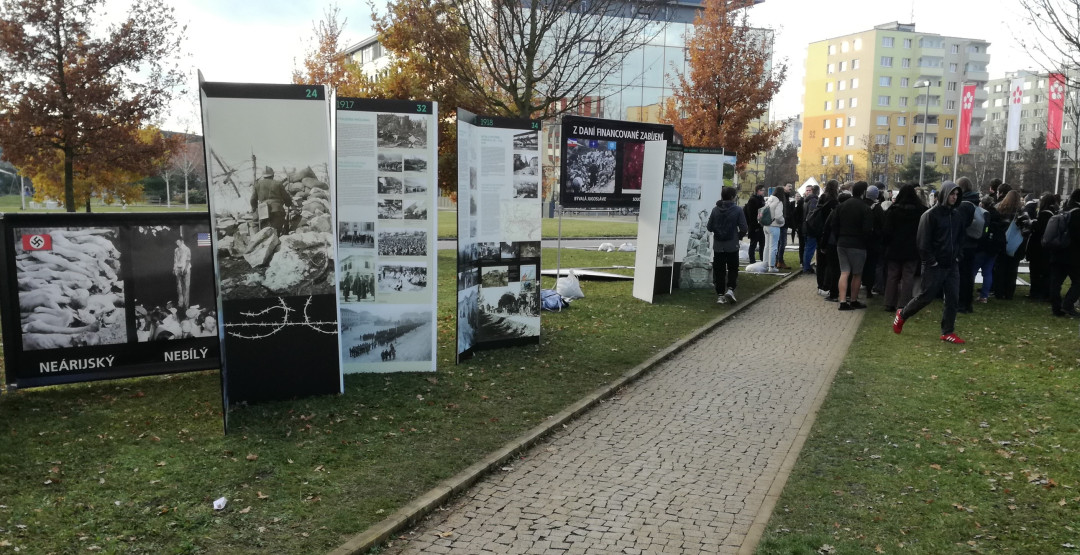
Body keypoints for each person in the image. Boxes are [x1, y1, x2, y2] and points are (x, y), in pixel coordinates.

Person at [892, 181, 967, 344]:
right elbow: (923, 242)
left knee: (953, 298)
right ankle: (903, 314)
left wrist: (958, 256)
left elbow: (961, 238)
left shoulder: (956, 216)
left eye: (956, 194)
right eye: (952, 194)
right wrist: (932, 261)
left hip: (951, 264)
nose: (954, 197)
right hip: (935, 265)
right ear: (944, 194)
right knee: (926, 296)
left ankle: (947, 331)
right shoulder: (930, 215)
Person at [882, 184, 926, 312]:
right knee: (908, 276)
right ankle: (903, 304)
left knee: (892, 275)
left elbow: (887, 231)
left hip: (894, 248)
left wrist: (886, 245)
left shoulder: (893, 210)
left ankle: (889, 302)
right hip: (912, 249)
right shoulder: (921, 211)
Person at [833, 181, 873, 310]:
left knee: (844, 272)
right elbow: (867, 229)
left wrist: (839, 238)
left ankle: (842, 301)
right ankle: (854, 300)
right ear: (864, 192)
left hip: (842, 242)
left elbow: (834, 225)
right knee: (857, 274)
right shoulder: (865, 208)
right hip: (858, 244)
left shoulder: (842, 206)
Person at [707, 186, 748, 304]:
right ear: (732, 197)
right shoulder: (737, 210)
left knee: (719, 270)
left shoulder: (715, 210)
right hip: (732, 244)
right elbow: (744, 227)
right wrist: (738, 236)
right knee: (733, 268)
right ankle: (730, 289)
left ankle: (720, 295)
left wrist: (718, 230)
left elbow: (709, 227)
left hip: (718, 245)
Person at [991, 190, 1030, 300]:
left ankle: (999, 292)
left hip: (1001, 242)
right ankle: (1009, 293)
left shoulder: (999, 209)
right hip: (1015, 245)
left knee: (999, 268)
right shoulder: (1021, 212)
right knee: (1012, 269)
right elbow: (1027, 228)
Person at [1049, 189, 1080, 317]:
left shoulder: (1063, 211)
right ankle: (1067, 304)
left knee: (1056, 282)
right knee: (1078, 281)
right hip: (1072, 253)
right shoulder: (1077, 213)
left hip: (1057, 250)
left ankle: (1056, 307)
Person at [955, 177, 981, 313]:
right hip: (973, 242)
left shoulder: (963, 204)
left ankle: (962, 303)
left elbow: (960, 225)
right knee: (968, 274)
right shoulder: (974, 201)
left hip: (964, 243)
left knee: (961, 274)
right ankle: (967, 302)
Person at [1027, 192, 1059, 301]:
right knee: (1045, 272)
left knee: (1036, 271)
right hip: (1046, 247)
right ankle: (1044, 292)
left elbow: (1039, 228)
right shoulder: (1053, 213)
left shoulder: (1044, 215)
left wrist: (1031, 224)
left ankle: (1036, 293)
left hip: (1038, 247)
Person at [250, 166, 294, 235]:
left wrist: (254, 209)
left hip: (262, 210)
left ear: (263, 176)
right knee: (276, 232)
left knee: (257, 226)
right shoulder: (278, 184)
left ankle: (259, 238)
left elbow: (253, 199)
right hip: (277, 210)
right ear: (273, 175)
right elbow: (286, 198)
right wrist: (288, 204)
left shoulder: (257, 185)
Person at [761, 187, 787, 272]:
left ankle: (765, 264)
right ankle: (771, 266)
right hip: (774, 226)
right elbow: (778, 216)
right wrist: (783, 221)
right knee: (773, 247)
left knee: (767, 246)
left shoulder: (769, 200)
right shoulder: (778, 202)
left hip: (766, 225)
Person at [743, 185, 767, 264]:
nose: (764, 192)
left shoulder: (761, 199)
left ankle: (762, 259)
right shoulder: (753, 200)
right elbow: (751, 215)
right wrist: (755, 225)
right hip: (754, 226)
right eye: (762, 190)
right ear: (758, 191)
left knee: (762, 244)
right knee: (753, 244)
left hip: (761, 225)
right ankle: (752, 260)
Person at [799, 185, 820, 273]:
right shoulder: (813, 201)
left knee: (807, 248)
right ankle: (807, 267)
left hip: (805, 226)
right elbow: (812, 215)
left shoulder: (806, 201)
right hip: (810, 228)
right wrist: (814, 227)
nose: (808, 192)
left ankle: (806, 266)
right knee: (810, 248)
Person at [173, 237, 191, 310]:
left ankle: (186, 306)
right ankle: (180, 304)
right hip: (178, 269)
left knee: (186, 288)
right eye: (176, 242)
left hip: (185, 269)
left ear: (182, 241)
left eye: (178, 242)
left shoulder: (187, 249)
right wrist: (174, 269)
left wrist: (186, 268)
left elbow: (188, 259)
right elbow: (175, 260)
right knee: (179, 288)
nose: (177, 243)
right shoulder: (176, 250)